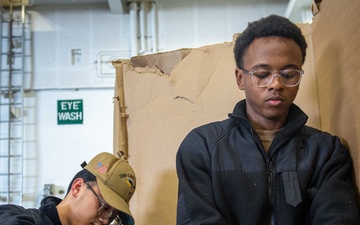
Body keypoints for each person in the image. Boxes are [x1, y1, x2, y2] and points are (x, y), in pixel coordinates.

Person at [176, 14, 360, 225]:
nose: (276, 84)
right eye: (262, 74)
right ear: (240, 79)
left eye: (289, 74)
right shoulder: (202, 147)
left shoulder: (325, 152)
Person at [0, 152, 136, 225]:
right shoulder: (14, 216)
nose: (106, 220)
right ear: (77, 188)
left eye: (113, 216)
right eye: (105, 208)